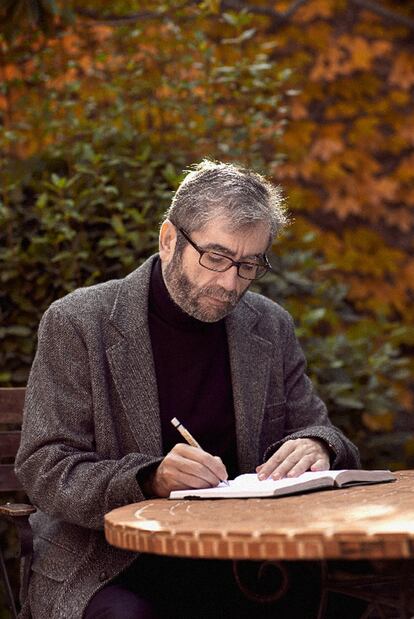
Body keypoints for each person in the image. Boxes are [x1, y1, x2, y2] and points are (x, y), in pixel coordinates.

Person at [16, 160, 360, 619]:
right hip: (113, 562)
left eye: (248, 264)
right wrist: (148, 479)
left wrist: (317, 444)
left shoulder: (269, 325)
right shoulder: (79, 322)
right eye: (216, 257)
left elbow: (320, 428)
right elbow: (45, 467)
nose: (229, 282)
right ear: (169, 239)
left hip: (246, 558)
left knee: (349, 599)